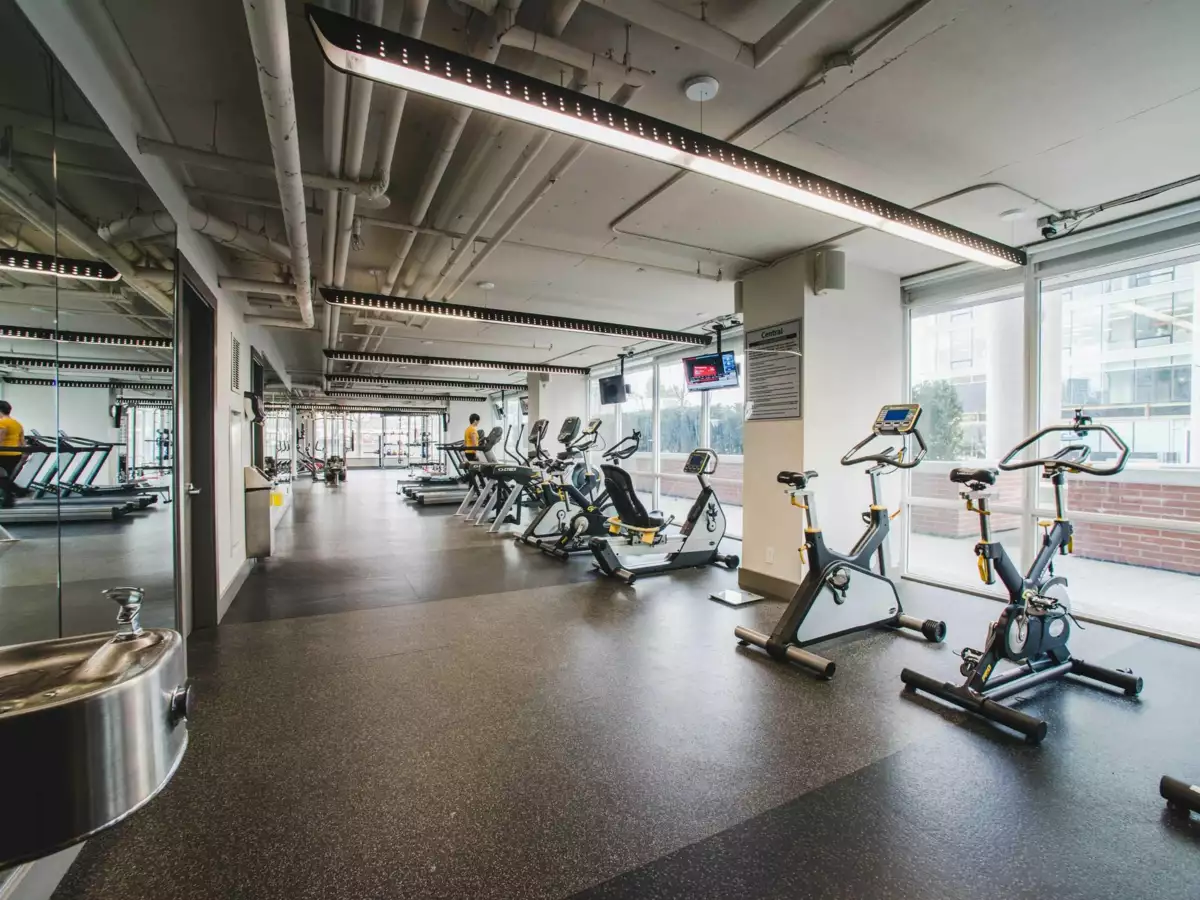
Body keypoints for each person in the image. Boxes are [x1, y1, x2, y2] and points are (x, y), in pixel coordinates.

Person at [0, 400, 25, 508]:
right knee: (5, 478)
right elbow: (22, 442)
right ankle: (8, 501)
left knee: (2, 479)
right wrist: (24, 455)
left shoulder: (2, 422)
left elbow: (1, 438)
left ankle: (18, 490)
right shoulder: (17, 424)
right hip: (15, 455)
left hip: (3, 454)